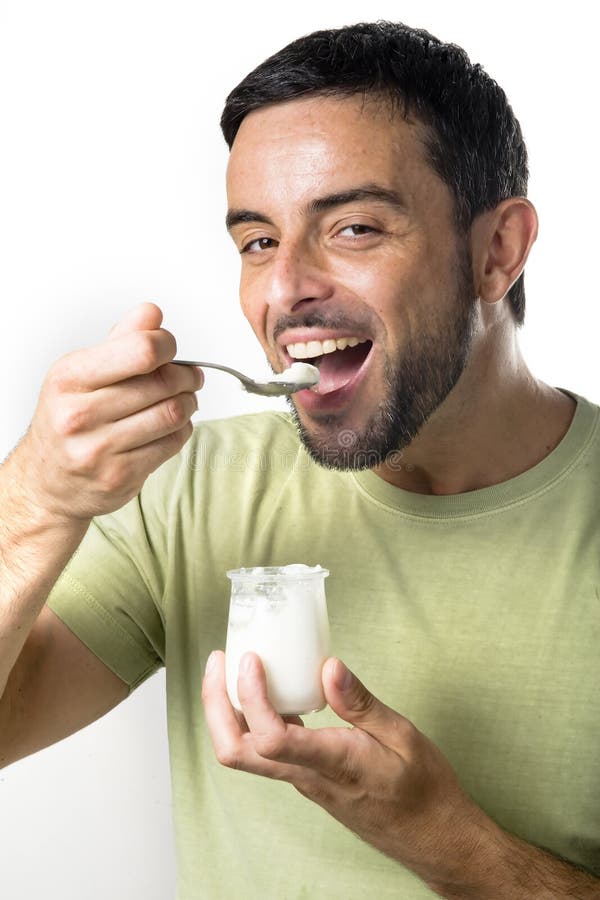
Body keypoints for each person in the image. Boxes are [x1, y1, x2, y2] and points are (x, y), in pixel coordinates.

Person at [1, 19, 599, 899]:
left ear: (497, 251)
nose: (283, 291)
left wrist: (446, 839)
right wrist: (35, 507)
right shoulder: (190, 488)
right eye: (257, 241)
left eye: (353, 227)